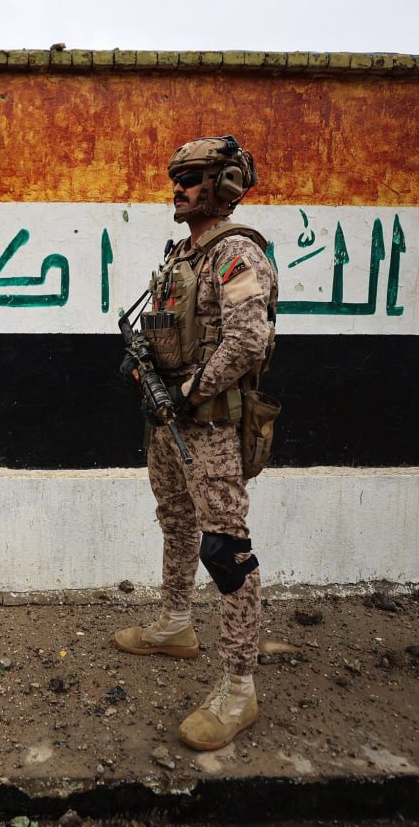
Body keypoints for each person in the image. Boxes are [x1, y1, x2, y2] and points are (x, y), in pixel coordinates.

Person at [112, 135, 277, 752]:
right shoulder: (181, 255)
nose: (176, 189)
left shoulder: (236, 253)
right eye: (175, 178)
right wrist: (145, 367)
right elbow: (168, 331)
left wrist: (189, 392)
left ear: (222, 185)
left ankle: (239, 687)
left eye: (190, 178)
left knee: (225, 549)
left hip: (208, 426)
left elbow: (248, 341)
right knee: (176, 522)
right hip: (168, 420)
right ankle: (177, 624)